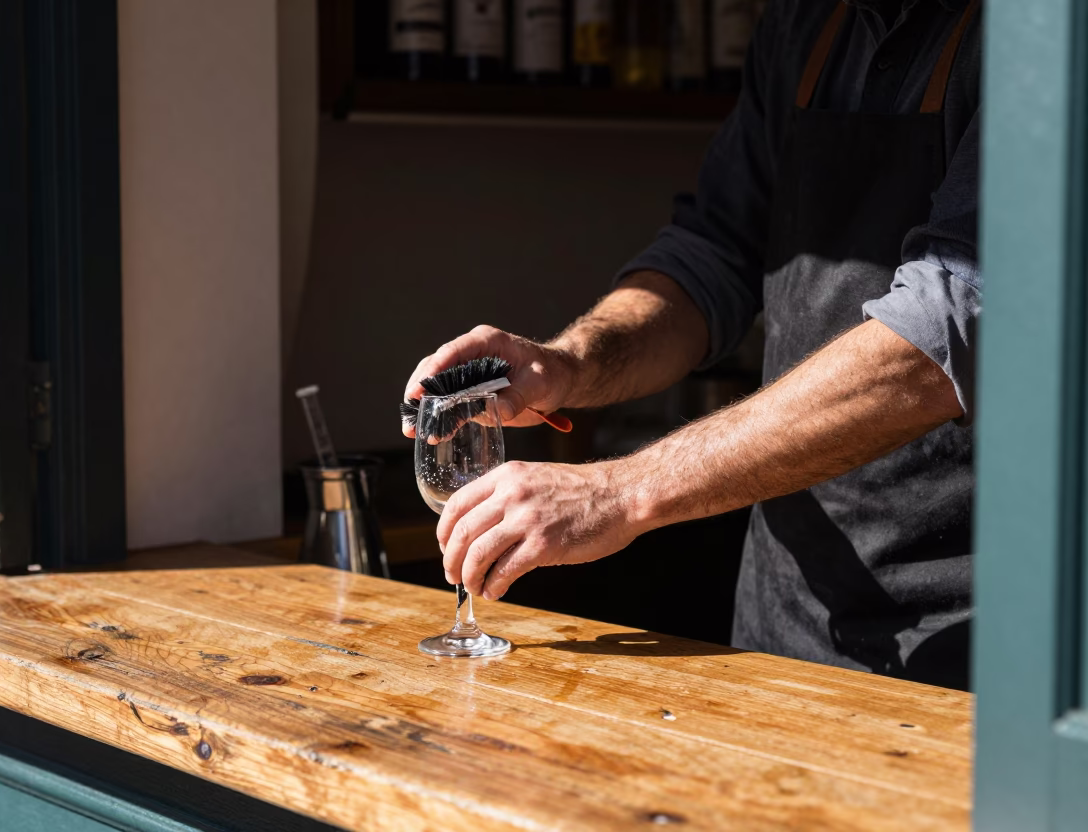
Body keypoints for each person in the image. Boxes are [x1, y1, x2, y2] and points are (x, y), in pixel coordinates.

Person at [401, 0, 981, 690]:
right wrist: (567, 364)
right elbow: (713, 256)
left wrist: (618, 492)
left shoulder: (1044, 36)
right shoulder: (802, 27)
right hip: (783, 619)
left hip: (970, 635)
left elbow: (946, 329)